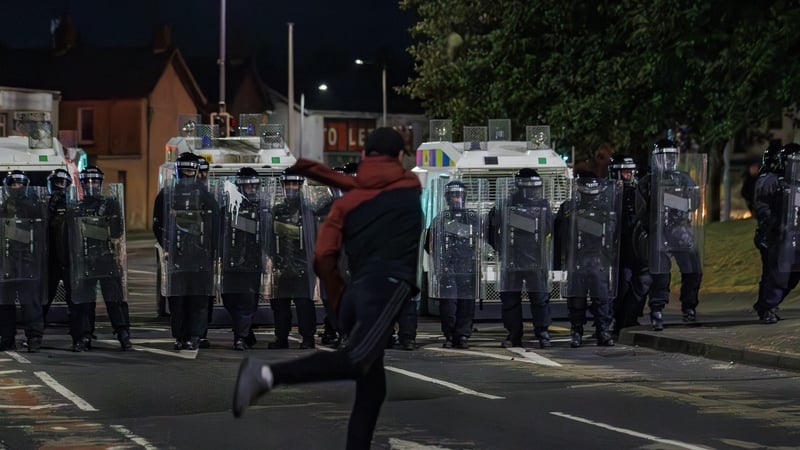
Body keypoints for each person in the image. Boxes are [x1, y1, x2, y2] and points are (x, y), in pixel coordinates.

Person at [233, 127, 422, 450]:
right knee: (356, 359)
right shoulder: (410, 186)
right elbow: (373, 184)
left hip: (354, 292)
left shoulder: (347, 204)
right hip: (387, 289)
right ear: (401, 157)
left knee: (372, 388)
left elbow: (322, 257)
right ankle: (266, 376)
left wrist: (337, 302)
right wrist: (317, 171)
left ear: (363, 156)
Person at [153, 152, 219, 351]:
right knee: (178, 300)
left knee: (198, 299)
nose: (188, 175)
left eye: (191, 171)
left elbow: (215, 225)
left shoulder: (206, 196)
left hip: (200, 256)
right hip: (177, 256)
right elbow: (157, 224)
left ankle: (195, 336)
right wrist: (168, 246)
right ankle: (180, 336)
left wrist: (210, 251)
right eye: (184, 171)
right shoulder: (166, 195)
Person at [636, 139, 704, 330]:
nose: (667, 161)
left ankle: (689, 306)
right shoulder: (647, 182)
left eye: (671, 157)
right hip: (657, 230)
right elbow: (642, 211)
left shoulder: (683, 179)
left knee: (693, 267)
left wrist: (676, 203)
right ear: (656, 159)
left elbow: (695, 202)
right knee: (660, 271)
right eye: (663, 157)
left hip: (679, 229)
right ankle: (657, 308)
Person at [67, 166, 132, 351]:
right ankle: (84, 335)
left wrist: (92, 229)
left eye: (95, 182)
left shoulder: (110, 204)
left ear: (100, 183)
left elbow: (117, 231)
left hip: (106, 258)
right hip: (84, 259)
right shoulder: (76, 208)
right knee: (84, 302)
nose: (91, 185)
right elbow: (72, 237)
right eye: (87, 182)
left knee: (115, 299)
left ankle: (123, 333)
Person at [487, 168, 553, 349]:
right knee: (510, 300)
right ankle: (514, 334)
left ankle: (543, 333)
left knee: (539, 299)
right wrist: (501, 248)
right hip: (512, 259)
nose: (534, 192)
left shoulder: (543, 205)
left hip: (535, 260)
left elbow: (549, 229)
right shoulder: (505, 205)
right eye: (531, 188)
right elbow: (491, 229)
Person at [554, 175, 621, 347]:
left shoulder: (606, 209)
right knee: (577, 299)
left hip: (599, 260)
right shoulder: (569, 208)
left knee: (602, 298)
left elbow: (613, 235)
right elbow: (558, 235)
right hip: (577, 259)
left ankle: (603, 331)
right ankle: (576, 331)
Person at [424, 180, 480, 349]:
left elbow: (479, 236)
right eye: (453, 196)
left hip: (467, 267)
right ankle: (450, 334)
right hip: (448, 268)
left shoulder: (471, 218)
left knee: (466, 303)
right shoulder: (441, 218)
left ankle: (462, 335)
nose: (457, 199)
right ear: (447, 198)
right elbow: (429, 244)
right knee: (448, 304)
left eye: (459, 196)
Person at [269, 171, 318, 349]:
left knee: (304, 305)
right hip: (282, 266)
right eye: (288, 184)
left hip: (303, 266)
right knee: (280, 306)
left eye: (294, 184)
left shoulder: (308, 211)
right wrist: (272, 259)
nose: (291, 188)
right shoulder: (277, 211)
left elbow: (315, 239)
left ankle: (308, 338)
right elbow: (270, 237)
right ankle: (281, 338)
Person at [219, 167, 267, 350]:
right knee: (229, 299)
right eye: (248, 187)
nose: (252, 190)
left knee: (247, 302)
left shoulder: (261, 210)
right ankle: (246, 333)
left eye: (254, 186)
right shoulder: (227, 209)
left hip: (251, 262)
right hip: (231, 263)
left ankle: (240, 337)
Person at [753, 143, 800, 323]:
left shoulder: (795, 184)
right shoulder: (772, 181)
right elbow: (763, 207)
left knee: (793, 273)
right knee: (777, 273)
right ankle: (768, 306)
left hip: (794, 234)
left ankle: (766, 304)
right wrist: (774, 225)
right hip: (775, 235)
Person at [0, 170, 46, 352]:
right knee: (4, 303)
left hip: (28, 261)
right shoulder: (4, 207)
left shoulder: (33, 206)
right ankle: (7, 337)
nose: (16, 187)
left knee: (30, 303)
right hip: (6, 261)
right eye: (12, 184)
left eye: (19, 184)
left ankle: (34, 337)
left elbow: (38, 234)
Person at [607, 155, 652, 334]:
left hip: (638, 246)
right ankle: (618, 321)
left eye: (630, 172)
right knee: (622, 285)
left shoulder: (639, 191)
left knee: (642, 284)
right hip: (618, 248)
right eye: (625, 172)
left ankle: (630, 319)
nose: (628, 176)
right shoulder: (607, 193)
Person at [44, 169, 73, 322]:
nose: (60, 186)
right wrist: (49, 209)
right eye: (57, 183)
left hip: (69, 260)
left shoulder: (74, 207)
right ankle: (35, 335)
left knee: (75, 300)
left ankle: (80, 335)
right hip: (50, 261)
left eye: (63, 183)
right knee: (44, 298)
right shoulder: (44, 207)